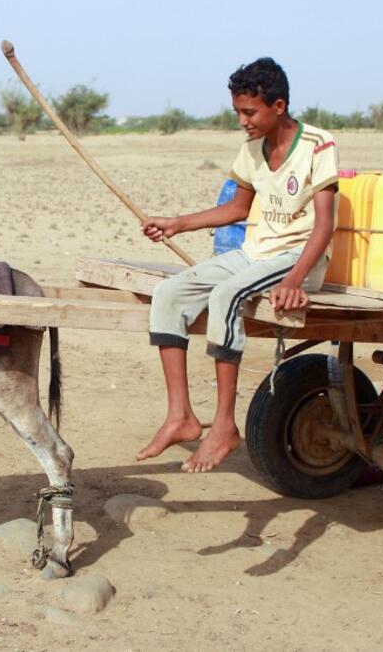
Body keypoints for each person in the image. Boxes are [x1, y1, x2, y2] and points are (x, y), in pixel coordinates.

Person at [137, 57, 339, 473]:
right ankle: (181, 416)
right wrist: (177, 224)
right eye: (238, 112)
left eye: (249, 112)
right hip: (257, 252)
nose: (242, 121)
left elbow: (325, 225)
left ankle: (224, 426)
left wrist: (297, 279)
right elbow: (237, 207)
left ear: (278, 106)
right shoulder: (251, 149)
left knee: (227, 295)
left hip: (299, 256)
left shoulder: (318, 145)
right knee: (168, 294)